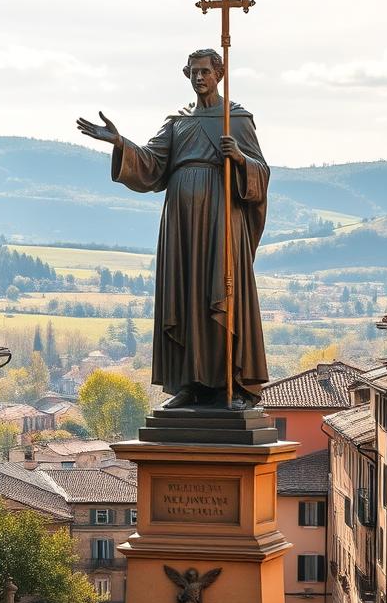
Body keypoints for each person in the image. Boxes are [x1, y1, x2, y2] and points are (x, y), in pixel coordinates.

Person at [77, 49, 270, 409]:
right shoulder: (177, 122)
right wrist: (120, 143)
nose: (199, 78)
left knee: (220, 291)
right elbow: (152, 164)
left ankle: (234, 384)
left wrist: (241, 159)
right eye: (193, 72)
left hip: (221, 218)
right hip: (181, 222)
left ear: (219, 73)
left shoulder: (237, 120)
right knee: (186, 294)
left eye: (205, 72)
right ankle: (190, 382)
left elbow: (261, 175)